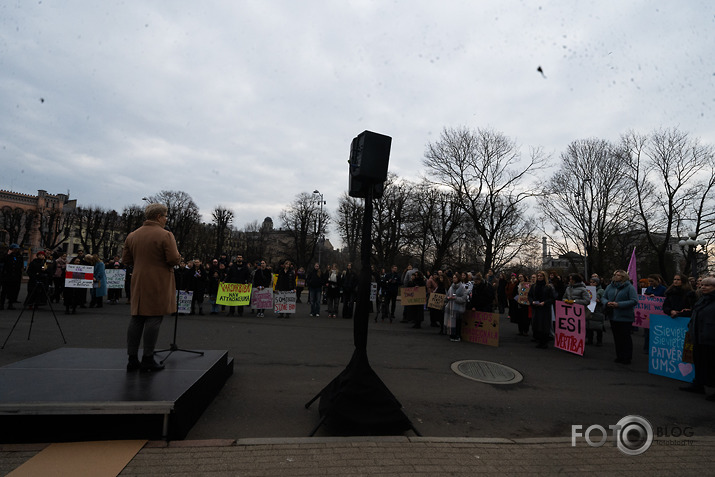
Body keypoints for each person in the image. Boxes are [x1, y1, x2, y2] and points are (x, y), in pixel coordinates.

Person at [122, 203, 182, 373]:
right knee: (154, 318)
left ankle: (132, 358)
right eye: (165, 216)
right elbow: (173, 259)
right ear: (158, 217)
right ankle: (148, 357)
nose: (166, 219)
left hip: (139, 279)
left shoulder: (132, 235)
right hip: (158, 280)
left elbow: (126, 259)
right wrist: (179, 256)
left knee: (137, 317)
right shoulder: (165, 235)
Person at [680, 276, 715, 400]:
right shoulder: (702, 299)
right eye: (702, 285)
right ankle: (698, 384)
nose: (703, 287)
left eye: (707, 285)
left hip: (710, 338)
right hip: (698, 337)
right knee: (699, 361)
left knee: (711, 364)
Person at [601, 269, 638, 365]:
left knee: (625, 338)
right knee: (617, 337)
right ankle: (619, 355)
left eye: (618, 275)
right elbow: (603, 297)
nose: (615, 276)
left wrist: (619, 305)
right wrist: (606, 303)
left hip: (625, 317)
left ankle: (627, 357)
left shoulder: (629, 287)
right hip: (613, 316)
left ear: (623, 277)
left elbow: (634, 301)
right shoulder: (610, 286)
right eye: (614, 274)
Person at [528, 271, 555, 349]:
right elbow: (529, 296)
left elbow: (552, 298)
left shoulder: (548, 287)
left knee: (544, 325)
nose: (539, 277)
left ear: (544, 277)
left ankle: (544, 342)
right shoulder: (534, 286)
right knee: (536, 324)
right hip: (536, 308)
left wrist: (545, 302)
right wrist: (532, 301)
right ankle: (539, 340)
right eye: (538, 276)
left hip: (545, 309)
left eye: (541, 276)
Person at [445, 272, 467, 342]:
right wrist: (447, 298)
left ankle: (458, 335)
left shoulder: (462, 287)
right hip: (451, 308)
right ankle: (452, 334)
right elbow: (447, 295)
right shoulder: (451, 287)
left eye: (455, 278)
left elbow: (464, 299)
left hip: (458, 309)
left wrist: (455, 298)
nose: (454, 279)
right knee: (451, 323)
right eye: (453, 278)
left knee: (458, 323)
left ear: (458, 278)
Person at [1, 244, 24, 310]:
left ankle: (10, 304)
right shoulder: (7, 255)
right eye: (14, 249)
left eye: (17, 249)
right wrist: (8, 254)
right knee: (4, 291)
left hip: (15, 276)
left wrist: (20, 275)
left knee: (12, 291)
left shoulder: (19, 256)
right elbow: (2, 260)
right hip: (7, 276)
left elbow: (20, 266)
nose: (16, 250)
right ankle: (1, 304)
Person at [586, 277, 605, 346]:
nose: (592, 284)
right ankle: (590, 339)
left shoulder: (600, 290)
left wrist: (599, 301)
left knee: (598, 325)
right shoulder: (588, 290)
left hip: (598, 309)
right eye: (591, 282)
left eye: (594, 282)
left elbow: (603, 299)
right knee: (589, 324)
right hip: (590, 308)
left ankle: (599, 340)